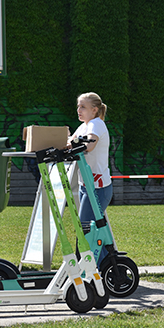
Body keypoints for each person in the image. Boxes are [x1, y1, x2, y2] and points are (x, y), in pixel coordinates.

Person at [69, 92, 113, 266]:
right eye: (78, 106)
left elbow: (90, 145)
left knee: (87, 228)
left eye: (83, 107)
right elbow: (70, 141)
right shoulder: (85, 125)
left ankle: (96, 268)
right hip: (86, 184)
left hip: (98, 187)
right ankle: (106, 265)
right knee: (95, 228)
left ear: (94, 110)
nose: (79, 110)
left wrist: (75, 146)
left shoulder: (96, 124)